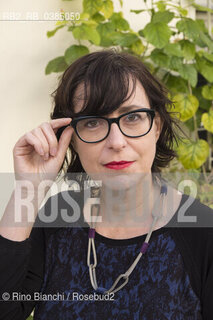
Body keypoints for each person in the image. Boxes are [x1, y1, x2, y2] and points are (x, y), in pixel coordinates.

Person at [0, 49, 213, 320]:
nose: (116, 141)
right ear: (71, 138)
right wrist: (28, 191)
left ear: (156, 127)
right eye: (92, 122)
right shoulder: (58, 218)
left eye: (133, 117)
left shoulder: (203, 233)